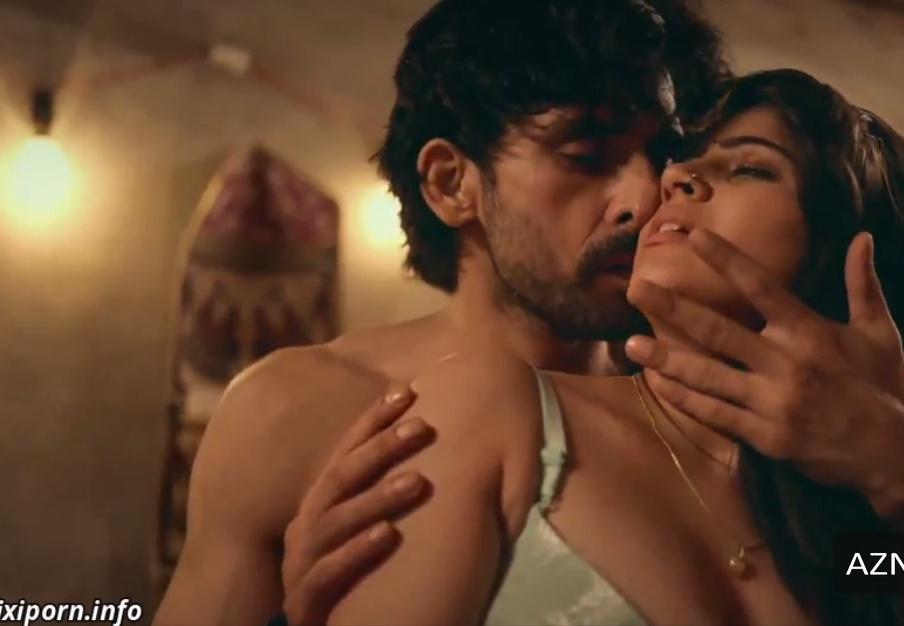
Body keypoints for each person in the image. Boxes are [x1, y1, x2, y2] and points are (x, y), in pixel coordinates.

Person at [281, 71, 904, 626]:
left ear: (853, 252)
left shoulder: (877, 520)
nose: (673, 181)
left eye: (748, 169)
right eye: (685, 164)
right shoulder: (491, 412)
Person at [153, 1, 728, 625]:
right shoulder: (296, 413)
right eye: (587, 155)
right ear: (452, 184)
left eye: (663, 157)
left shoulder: (709, 404)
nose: (645, 198)